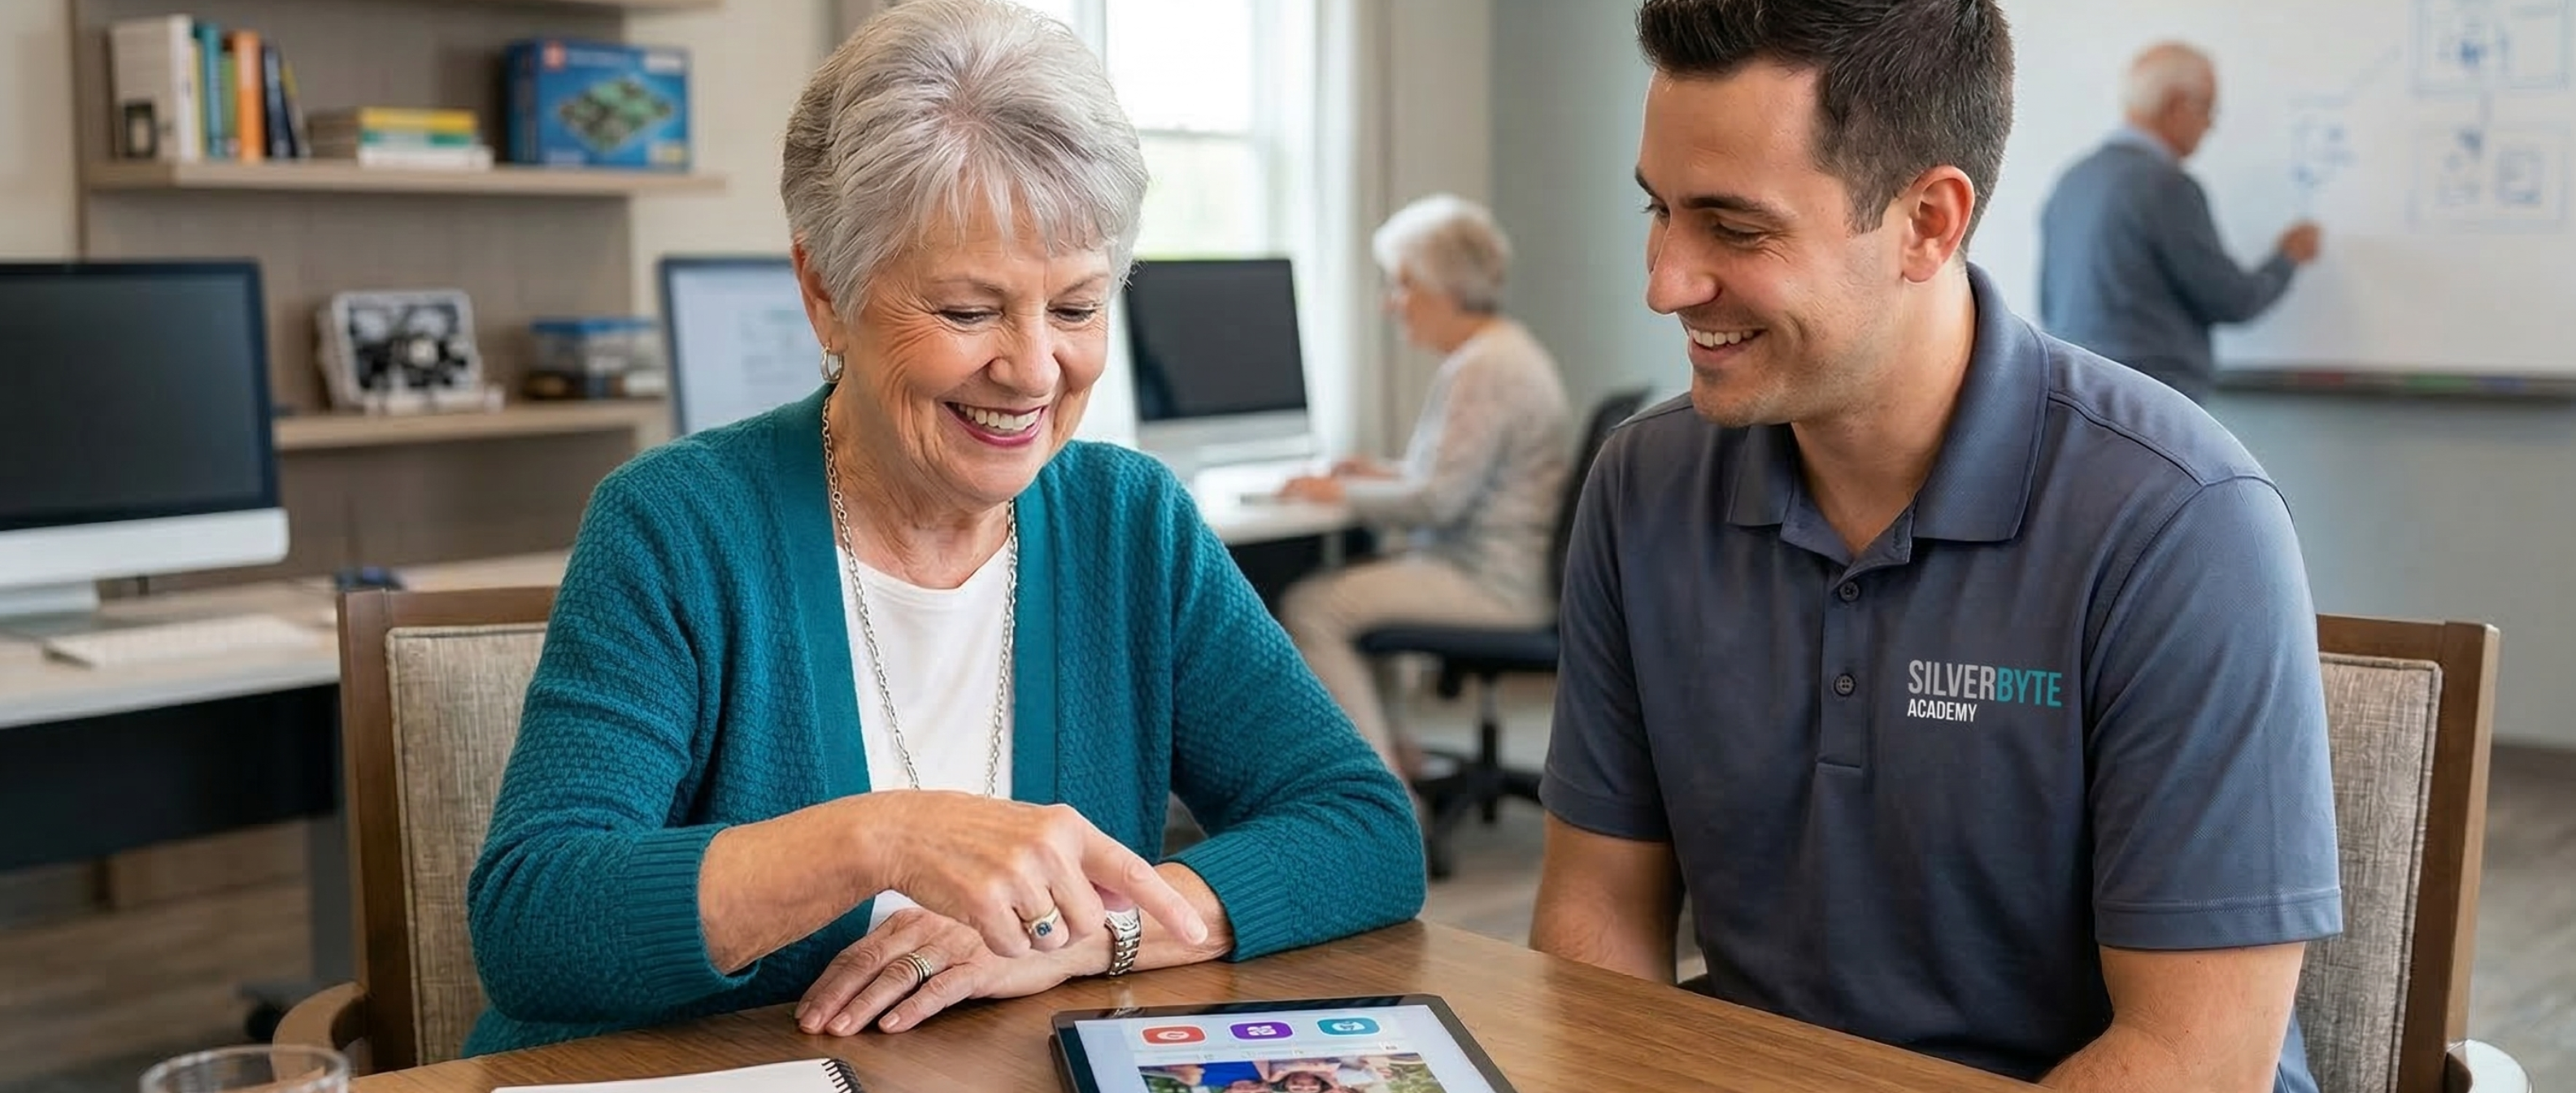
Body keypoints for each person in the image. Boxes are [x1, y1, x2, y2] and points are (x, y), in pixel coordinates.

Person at [463, 0, 1423, 1055]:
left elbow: (1364, 832)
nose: (1033, 370)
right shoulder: (673, 526)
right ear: (825, 293)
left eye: (1076, 308)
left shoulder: (1131, 524)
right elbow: (534, 920)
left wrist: (1091, 932)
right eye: (969, 313)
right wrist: (881, 837)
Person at [1533, 2, 2343, 1092]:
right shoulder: (1643, 486)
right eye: (1660, 211)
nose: (1666, 282)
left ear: (1928, 221)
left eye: (1733, 228)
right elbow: (1598, 915)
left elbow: (2192, 1057)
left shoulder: (2180, 521)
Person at [1277, 194, 1572, 777]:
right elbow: (1454, 476)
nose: (1393, 303)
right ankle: (1403, 756)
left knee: (1313, 606)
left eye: (1404, 284)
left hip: (1492, 582)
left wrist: (1335, 494)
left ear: (1447, 285)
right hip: (1501, 568)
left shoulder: (1486, 368)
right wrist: (1377, 473)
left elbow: (1439, 500)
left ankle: (1378, 789)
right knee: (1360, 588)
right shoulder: (1499, 352)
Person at [2037, 42, 2323, 402]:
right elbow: (2233, 300)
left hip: (2078, 397)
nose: (2210, 126)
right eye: (2208, 109)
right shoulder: (2165, 185)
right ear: (2176, 105)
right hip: (2152, 404)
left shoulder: (2073, 180)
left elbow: (2049, 302)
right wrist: (2287, 258)